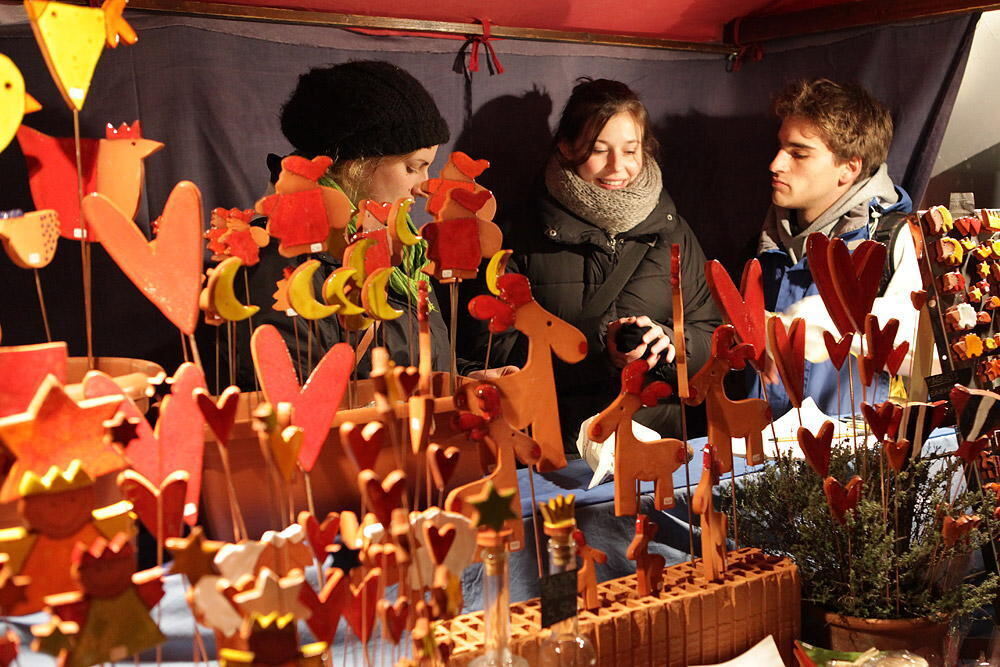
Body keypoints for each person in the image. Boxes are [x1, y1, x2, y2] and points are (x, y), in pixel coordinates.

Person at [492, 78, 720, 447]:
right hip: (558, 449)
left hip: (657, 443)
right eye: (599, 150)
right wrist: (599, 348)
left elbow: (712, 333)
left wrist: (671, 343)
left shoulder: (673, 230)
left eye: (630, 151)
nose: (617, 167)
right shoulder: (520, 237)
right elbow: (492, 354)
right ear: (567, 147)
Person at [232, 60, 463, 389]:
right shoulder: (286, 261)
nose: (424, 186)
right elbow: (291, 402)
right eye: (413, 167)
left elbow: (419, 363)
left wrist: (466, 380)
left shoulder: (406, 255)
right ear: (357, 165)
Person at [758, 78, 916, 418]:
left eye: (799, 153)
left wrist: (815, 319)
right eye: (781, 147)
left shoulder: (894, 241)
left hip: (858, 447)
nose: (776, 164)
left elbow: (925, 353)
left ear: (849, 168)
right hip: (768, 443)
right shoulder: (770, 240)